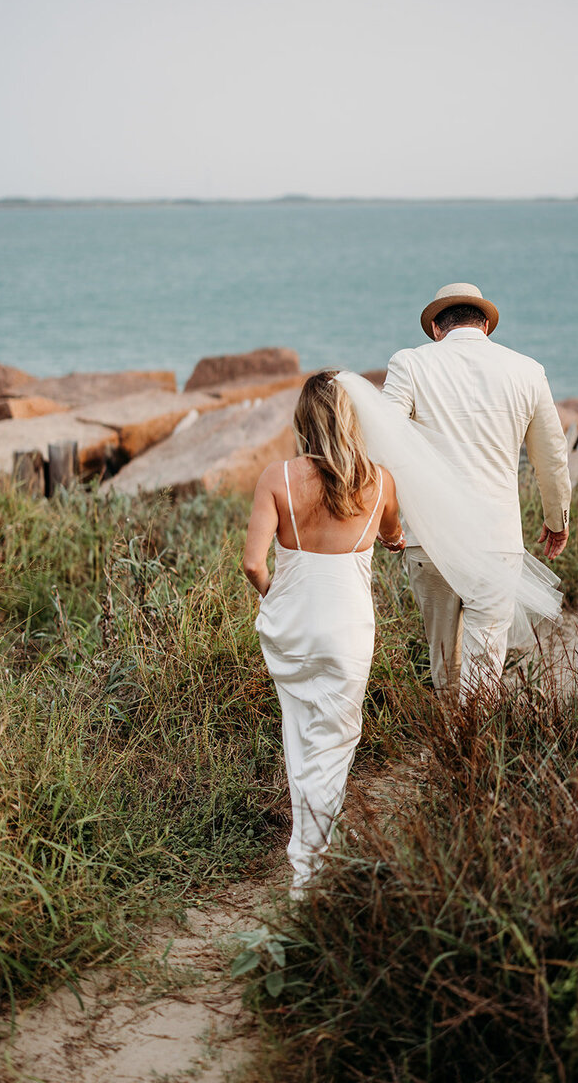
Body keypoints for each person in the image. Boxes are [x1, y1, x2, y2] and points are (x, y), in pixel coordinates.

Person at [243, 371, 404, 897]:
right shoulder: (380, 481)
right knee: (336, 741)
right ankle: (308, 867)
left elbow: (252, 564)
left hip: (293, 627)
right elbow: (393, 534)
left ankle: (309, 856)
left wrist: (276, 597)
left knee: (300, 732)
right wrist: (395, 539)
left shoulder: (277, 477)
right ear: (351, 418)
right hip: (347, 629)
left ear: (303, 419)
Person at [381, 282, 572, 703]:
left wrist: (385, 521)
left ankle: (448, 751)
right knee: (484, 664)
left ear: (435, 327)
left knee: (444, 663)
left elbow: (381, 443)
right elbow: (552, 456)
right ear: (485, 325)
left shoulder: (409, 364)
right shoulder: (527, 370)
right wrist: (557, 518)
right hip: (495, 540)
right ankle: (474, 758)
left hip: (428, 539)